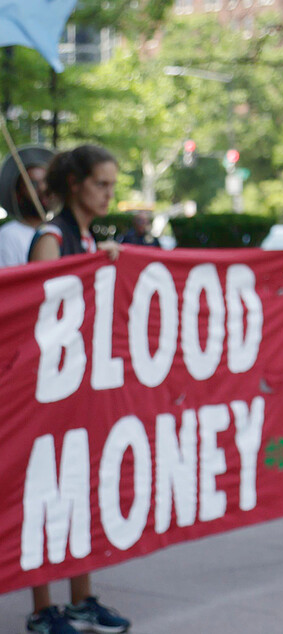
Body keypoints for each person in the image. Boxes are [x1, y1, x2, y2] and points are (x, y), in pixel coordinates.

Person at [26, 145, 129, 634]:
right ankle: (43, 607)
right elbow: (41, 314)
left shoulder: (90, 241)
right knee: (46, 491)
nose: (109, 194)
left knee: (83, 490)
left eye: (112, 185)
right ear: (75, 184)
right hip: (50, 390)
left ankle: (81, 599)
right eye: (100, 184)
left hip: (86, 387)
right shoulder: (52, 237)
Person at [0, 145, 54, 266]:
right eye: (33, 184)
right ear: (18, 194)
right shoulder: (9, 236)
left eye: (46, 182)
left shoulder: (57, 231)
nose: (42, 188)